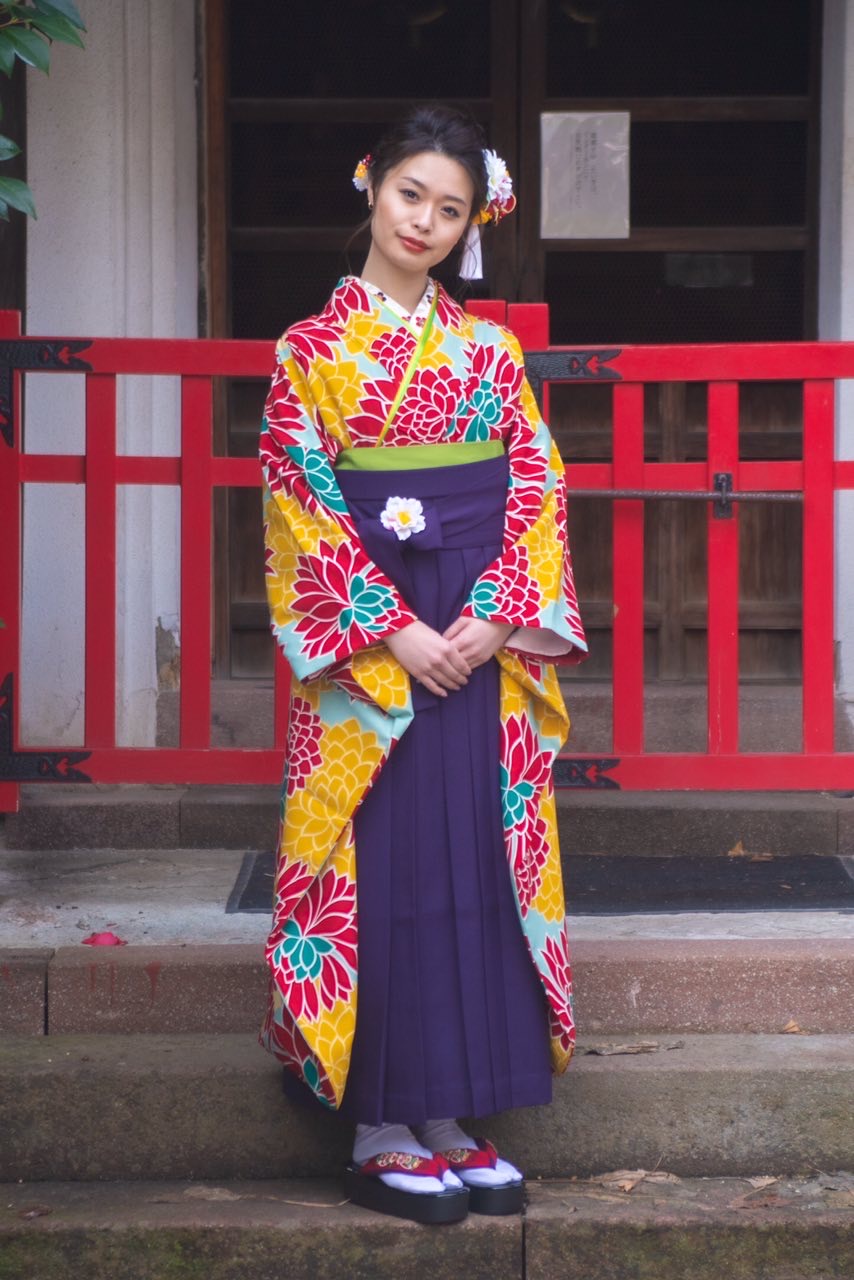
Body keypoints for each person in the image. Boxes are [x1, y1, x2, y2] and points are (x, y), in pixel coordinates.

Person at [258, 105, 587, 1225]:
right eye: (410, 195)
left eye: (450, 210)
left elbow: (536, 485)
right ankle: (379, 1127)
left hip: (479, 637)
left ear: (469, 224)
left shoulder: (489, 352)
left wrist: (496, 616)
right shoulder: (308, 352)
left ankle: (449, 1113)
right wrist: (391, 627)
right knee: (382, 865)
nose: (425, 223)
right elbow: (301, 503)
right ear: (371, 185)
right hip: (375, 647)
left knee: (476, 865)